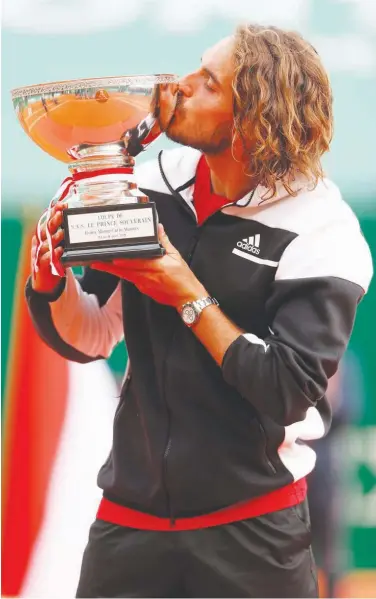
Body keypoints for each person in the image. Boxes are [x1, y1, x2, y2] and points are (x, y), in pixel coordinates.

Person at [25, 24, 373, 598]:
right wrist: (51, 284)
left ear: (252, 120)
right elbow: (94, 335)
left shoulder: (323, 231)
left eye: (208, 83)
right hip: (128, 520)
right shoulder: (149, 182)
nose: (179, 86)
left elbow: (288, 388)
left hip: (253, 531)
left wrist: (185, 292)